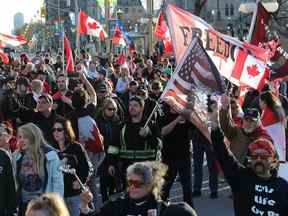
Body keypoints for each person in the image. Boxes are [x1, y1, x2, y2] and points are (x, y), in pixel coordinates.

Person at [210, 100, 288, 216]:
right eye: (255, 156)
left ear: (272, 159)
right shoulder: (241, 178)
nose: (259, 159)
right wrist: (215, 122)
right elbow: (223, 154)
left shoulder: (282, 186)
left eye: (264, 156)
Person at [14, 123, 64, 215]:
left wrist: (56, 206)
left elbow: (58, 184)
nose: (21, 140)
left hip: (44, 208)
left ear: (34, 137)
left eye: (25, 137)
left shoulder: (50, 156)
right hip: (23, 207)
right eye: (20, 137)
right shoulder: (17, 156)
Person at [51, 117, 92, 216]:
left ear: (66, 131)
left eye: (59, 129)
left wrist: (80, 181)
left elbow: (86, 168)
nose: (56, 132)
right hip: (58, 195)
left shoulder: (76, 147)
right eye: (54, 130)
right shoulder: (51, 149)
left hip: (75, 194)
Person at [98, 161, 168, 216]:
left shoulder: (160, 208)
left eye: (137, 183)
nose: (132, 187)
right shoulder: (117, 204)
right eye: (130, 182)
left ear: (149, 186)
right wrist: (86, 207)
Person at [219, 95, 273, 164]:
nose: (248, 123)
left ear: (258, 123)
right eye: (246, 120)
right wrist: (224, 109)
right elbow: (225, 125)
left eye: (252, 121)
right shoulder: (237, 130)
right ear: (243, 120)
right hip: (230, 170)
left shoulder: (263, 137)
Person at [160, 104, 195, 207]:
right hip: (169, 157)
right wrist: (177, 120)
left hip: (184, 156)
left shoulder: (185, 117)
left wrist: (189, 114)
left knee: (187, 187)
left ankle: (189, 211)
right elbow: (163, 132)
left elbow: (194, 127)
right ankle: (163, 209)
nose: (175, 107)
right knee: (166, 186)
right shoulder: (164, 117)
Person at [96, 97, 123, 202]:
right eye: (110, 109)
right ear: (104, 109)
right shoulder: (98, 121)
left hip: (114, 155)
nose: (112, 111)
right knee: (103, 183)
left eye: (114, 109)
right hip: (102, 155)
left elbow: (116, 142)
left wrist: (112, 161)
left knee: (114, 184)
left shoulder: (117, 121)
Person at [0, 123, 18, 216]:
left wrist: (12, 210)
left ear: (9, 136)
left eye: (0, 134)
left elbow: (11, 185)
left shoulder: (6, 156)